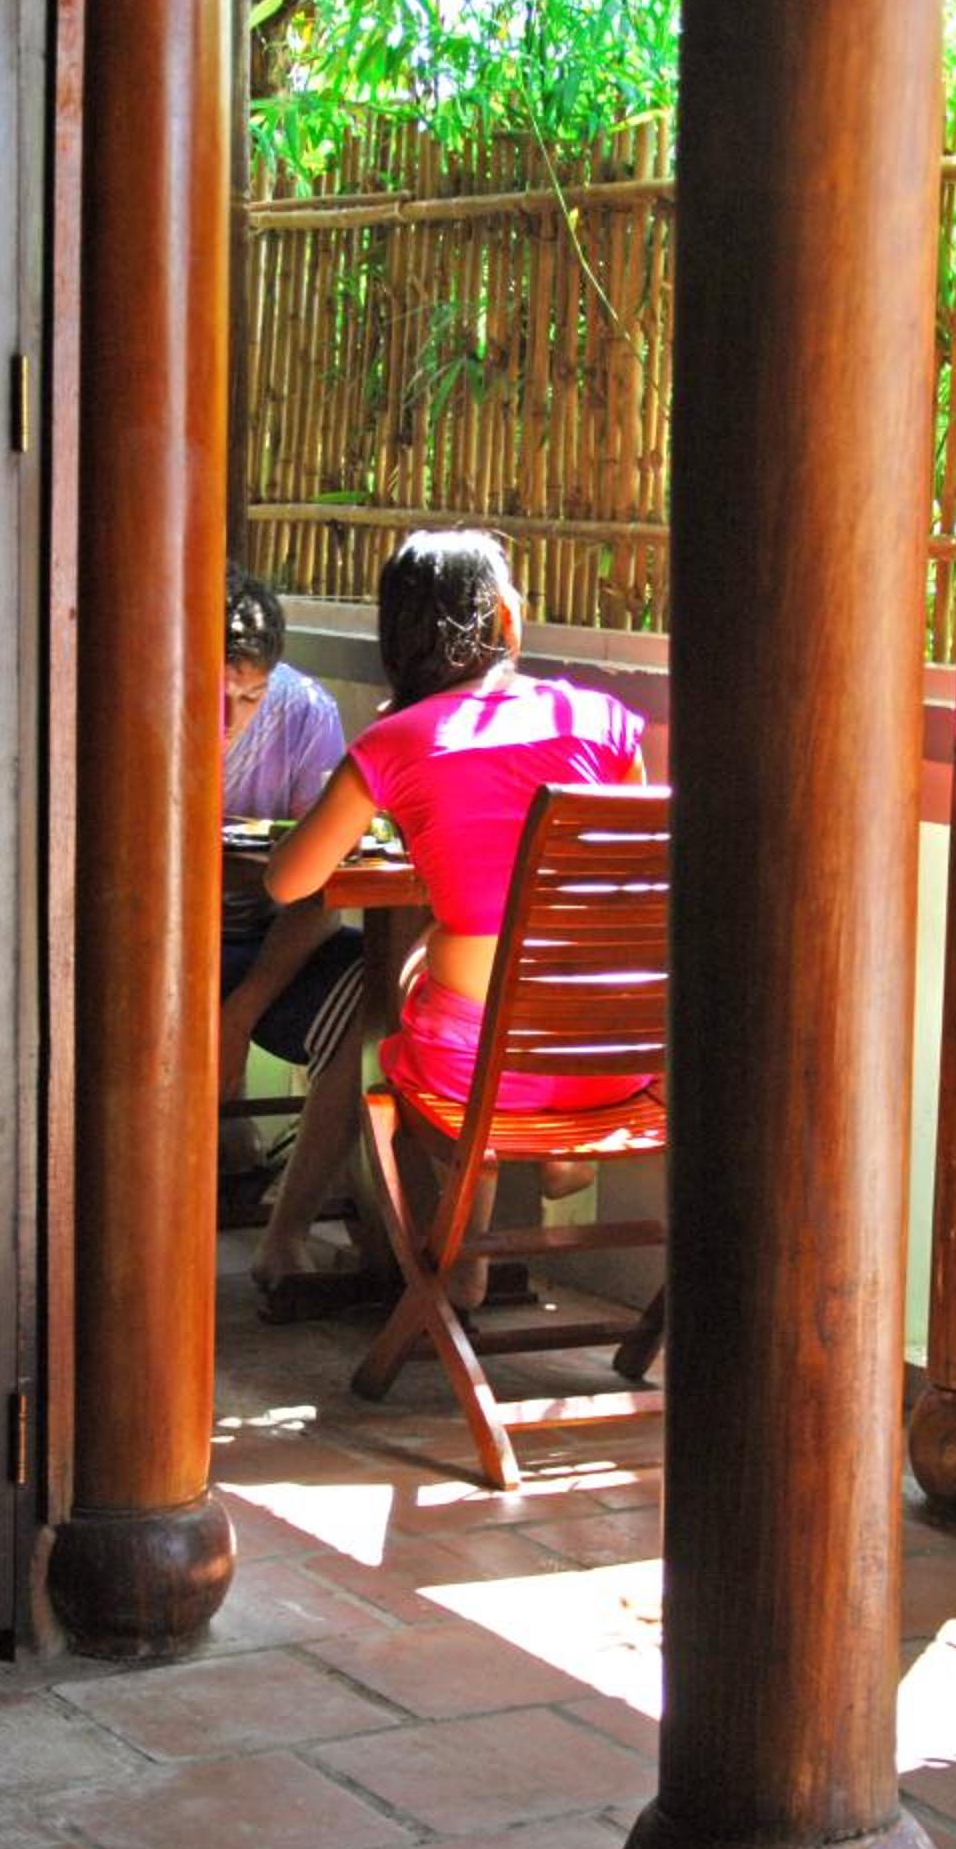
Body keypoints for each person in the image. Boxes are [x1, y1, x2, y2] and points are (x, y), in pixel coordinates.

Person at [264, 531, 652, 1306]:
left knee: (411, 997)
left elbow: (287, 881)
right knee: (479, 973)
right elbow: (627, 875)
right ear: (508, 617)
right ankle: (558, 1163)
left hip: (478, 1077)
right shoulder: (604, 722)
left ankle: (458, 1250)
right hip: (614, 1059)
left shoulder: (396, 743)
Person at [215, 566, 372, 1311]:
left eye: (248, 698)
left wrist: (239, 1015)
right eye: (212, 694)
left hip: (270, 937)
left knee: (374, 991)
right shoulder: (139, 697)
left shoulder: (305, 713)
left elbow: (320, 893)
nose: (229, 718)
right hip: (160, 941)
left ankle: (292, 1227)